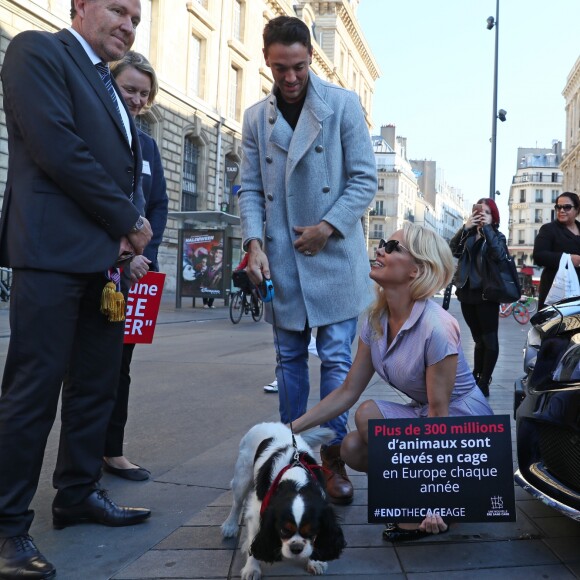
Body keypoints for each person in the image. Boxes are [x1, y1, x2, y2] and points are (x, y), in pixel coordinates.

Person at [0, 0, 154, 577]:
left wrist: (129, 232)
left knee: (95, 386)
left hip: (104, 264)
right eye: (117, 10)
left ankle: (78, 494)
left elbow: (121, 167)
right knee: (32, 391)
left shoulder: (110, 85)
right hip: (52, 255)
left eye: (136, 18)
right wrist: (127, 222)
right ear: (80, 7)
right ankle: (8, 527)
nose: (128, 24)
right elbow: (58, 148)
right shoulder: (37, 50)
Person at [239, 16, 377, 504]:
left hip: (334, 256)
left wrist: (328, 226)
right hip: (283, 260)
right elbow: (251, 188)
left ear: (311, 59)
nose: (291, 78)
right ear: (267, 62)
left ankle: (332, 454)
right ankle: (288, 456)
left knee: (338, 359)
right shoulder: (256, 117)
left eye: (298, 66)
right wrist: (254, 242)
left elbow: (364, 179)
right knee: (290, 361)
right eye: (280, 69)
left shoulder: (341, 105)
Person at [291, 223, 493, 541]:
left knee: (367, 414)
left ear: (416, 270)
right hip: (427, 416)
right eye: (383, 242)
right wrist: (290, 430)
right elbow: (347, 391)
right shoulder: (376, 320)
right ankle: (426, 497)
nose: (380, 249)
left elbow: (441, 418)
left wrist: (434, 499)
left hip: (462, 429)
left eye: (393, 247)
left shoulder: (437, 326)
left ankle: (447, 501)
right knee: (352, 447)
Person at [102, 51, 168, 481]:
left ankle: (112, 451)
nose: (138, 100)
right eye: (129, 89)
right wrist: (120, 254)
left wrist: (144, 255)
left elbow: (158, 205)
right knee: (83, 370)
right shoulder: (95, 134)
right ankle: (80, 459)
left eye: (145, 94)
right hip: (96, 269)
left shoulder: (147, 146)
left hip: (134, 275)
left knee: (119, 369)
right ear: (109, 86)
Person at [449, 198, 508, 397]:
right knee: (478, 339)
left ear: (494, 217)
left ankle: (484, 381)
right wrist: (465, 228)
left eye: (487, 212)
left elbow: (498, 255)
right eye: (478, 211)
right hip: (467, 293)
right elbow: (452, 250)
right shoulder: (468, 236)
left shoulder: (497, 236)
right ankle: (476, 375)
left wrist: (487, 230)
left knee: (490, 339)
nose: (482, 215)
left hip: (487, 294)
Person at [533, 192, 580, 311]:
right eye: (558, 207)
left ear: (577, 210)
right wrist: (568, 259)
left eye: (567, 207)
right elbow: (539, 256)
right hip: (556, 292)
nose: (562, 210)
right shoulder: (548, 229)